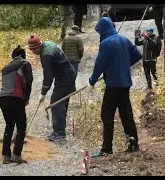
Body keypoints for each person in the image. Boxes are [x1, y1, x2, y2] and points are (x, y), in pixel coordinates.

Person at [89, 17, 142, 158]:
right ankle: (133, 145)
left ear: (103, 31)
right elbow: (137, 55)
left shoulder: (106, 43)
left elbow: (99, 64)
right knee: (127, 115)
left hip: (113, 85)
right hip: (125, 85)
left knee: (106, 114)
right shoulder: (124, 39)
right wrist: (124, 65)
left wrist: (92, 80)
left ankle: (107, 148)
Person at [27, 35, 76, 141]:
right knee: (61, 103)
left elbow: (48, 76)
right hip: (68, 74)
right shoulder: (48, 44)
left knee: (56, 104)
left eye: (34, 50)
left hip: (65, 77)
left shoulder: (46, 55)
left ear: (38, 46)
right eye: (31, 50)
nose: (33, 52)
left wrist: (43, 93)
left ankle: (59, 133)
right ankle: (60, 130)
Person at [0, 45, 33, 164]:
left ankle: (6, 156)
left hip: (2, 98)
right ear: (23, 56)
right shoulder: (25, 64)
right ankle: (17, 155)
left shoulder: (6, 67)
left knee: (9, 125)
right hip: (15, 98)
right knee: (21, 126)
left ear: (13, 56)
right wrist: (26, 98)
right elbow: (28, 82)